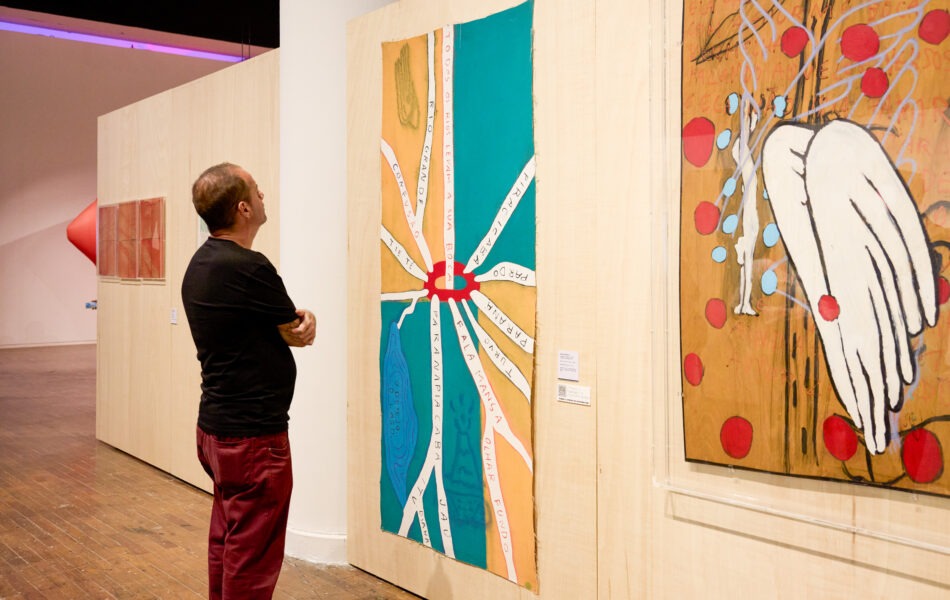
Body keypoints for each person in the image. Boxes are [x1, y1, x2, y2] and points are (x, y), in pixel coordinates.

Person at [181, 162, 316, 599]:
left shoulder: (200, 263)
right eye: (257, 190)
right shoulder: (250, 268)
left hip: (216, 432)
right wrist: (305, 320)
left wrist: (293, 322)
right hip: (254, 438)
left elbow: (282, 323)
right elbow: (294, 327)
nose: (264, 196)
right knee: (253, 554)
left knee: (228, 536)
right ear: (243, 208)